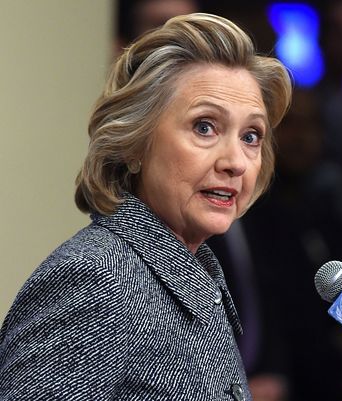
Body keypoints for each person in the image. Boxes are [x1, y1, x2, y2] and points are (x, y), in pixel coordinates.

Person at [0, 13, 291, 400]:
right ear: (135, 144)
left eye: (251, 136)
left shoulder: (197, 275)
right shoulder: (98, 279)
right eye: (205, 127)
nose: (235, 161)